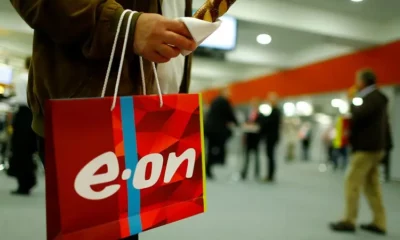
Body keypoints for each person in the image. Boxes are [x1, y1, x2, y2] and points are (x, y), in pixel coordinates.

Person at [11, 0, 197, 239]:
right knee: (95, 231)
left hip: (153, 114)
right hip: (90, 114)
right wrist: (124, 25)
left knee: (125, 230)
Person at [330, 69, 390, 235]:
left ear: (363, 82)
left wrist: (352, 99)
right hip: (375, 148)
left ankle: (349, 220)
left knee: (352, 182)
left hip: (366, 148)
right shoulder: (379, 98)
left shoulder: (370, 98)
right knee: (372, 186)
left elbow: (358, 114)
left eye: (357, 79)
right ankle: (379, 222)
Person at [7, 57, 38, 196]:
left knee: (20, 148)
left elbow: (19, 98)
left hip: (23, 114)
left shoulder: (21, 78)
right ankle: (29, 179)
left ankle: (23, 182)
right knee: (30, 148)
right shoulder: (36, 78)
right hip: (34, 113)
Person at [204, 88, 238, 179]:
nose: (229, 94)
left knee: (210, 149)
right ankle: (213, 164)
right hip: (217, 131)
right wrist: (237, 123)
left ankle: (207, 168)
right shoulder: (224, 101)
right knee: (216, 149)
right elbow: (230, 114)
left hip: (209, 129)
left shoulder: (214, 101)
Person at [259, 92, 281, 182]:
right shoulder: (273, 111)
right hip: (271, 137)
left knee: (270, 156)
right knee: (270, 156)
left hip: (272, 137)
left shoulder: (275, 112)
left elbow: (268, 123)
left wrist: (261, 118)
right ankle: (270, 175)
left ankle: (270, 176)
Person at [241, 98, 262, 180]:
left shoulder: (260, 115)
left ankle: (257, 173)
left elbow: (259, 127)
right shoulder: (249, 115)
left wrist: (251, 127)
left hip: (256, 139)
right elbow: (245, 125)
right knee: (246, 157)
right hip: (248, 139)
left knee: (256, 157)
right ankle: (244, 172)